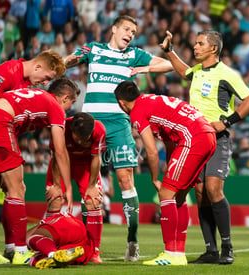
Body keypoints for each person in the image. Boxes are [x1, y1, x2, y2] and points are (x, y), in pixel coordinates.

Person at [64, 15, 173, 261]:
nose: (130, 34)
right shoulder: (94, 48)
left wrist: (146, 68)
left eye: (134, 32)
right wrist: (58, 63)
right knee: (87, 183)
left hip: (119, 124)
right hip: (90, 125)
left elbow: (168, 64)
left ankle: (132, 241)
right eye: (126, 29)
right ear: (114, 29)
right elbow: (68, 61)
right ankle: (89, 246)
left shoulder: (134, 55)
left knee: (125, 180)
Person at [158, 30, 249, 264]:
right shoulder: (198, 72)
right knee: (201, 194)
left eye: (200, 43)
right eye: (195, 43)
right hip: (195, 139)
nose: (195, 47)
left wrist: (226, 122)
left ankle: (227, 247)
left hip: (217, 139)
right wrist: (170, 52)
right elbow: (184, 72)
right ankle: (211, 250)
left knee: (214, 190)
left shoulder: (227, 74)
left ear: (214, 49)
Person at [0, 50, 66, 264]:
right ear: (37, 67)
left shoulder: (25, 82)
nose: (45, 83)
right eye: (47, 77)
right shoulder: (8, 72)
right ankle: (14, 250)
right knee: (11, 189)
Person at [114, 80, 216, 266]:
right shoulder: (153, 100)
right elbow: (169, 141)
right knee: (178, 196)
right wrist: (171, 167)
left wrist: (154, 178)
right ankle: (178, 253)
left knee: (165, 193)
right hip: (206, 135)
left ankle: (170, 253)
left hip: (193, 137)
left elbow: (151, 151)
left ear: (121, 103)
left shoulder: (137, 111)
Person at [44, 112, 106, 263]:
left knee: (93, 200)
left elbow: (96, 158)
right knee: (55, 198)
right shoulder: (60, 128)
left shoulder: (99, 130)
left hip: (85, 166)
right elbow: (57, 156)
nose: (79, 141)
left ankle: (94, 251)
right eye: (76, 137)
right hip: (63, 162)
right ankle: (49, 246)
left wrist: (92, 186)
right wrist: (57, 185)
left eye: (83, 139)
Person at [26, 212, 94, 269]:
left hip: (70, 226)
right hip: (84, 248)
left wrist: (26, 245)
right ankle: (54, 256)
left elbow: (27, 237)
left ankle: (53, 255)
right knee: (38, 259)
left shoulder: (47, 223)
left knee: (32, 238)